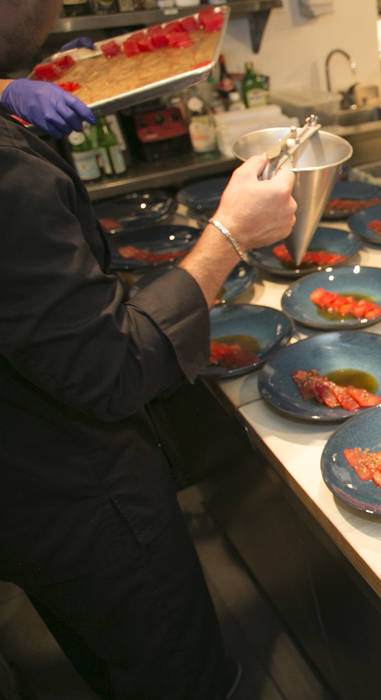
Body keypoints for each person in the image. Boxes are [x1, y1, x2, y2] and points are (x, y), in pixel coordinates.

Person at [0, 1, 297, 697]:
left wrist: (6, 90)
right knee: (174, 673)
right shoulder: (8, 178)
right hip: (75, 493)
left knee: (107, 661)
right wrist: (228, 236)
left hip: (25, 486)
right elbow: (113, 365)